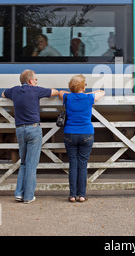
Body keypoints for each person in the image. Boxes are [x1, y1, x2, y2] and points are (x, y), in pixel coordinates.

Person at [2, 69, 59, 203]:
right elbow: (54, 92)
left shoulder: (15, 90)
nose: (37, 81)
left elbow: (4, 93)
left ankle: (19, 193)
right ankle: (28, 196)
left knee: (23, 163)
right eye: (35, 79)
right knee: (31, 164)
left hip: (20, 130)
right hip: (33, 129)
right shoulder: (36, 90)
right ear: (30, 81)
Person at [59, 74, 105, 203]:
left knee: (73, 164)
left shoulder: (67, 97)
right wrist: (88, 92)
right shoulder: (89, 98)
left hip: (70, 134)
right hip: (86, 134)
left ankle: (72, 195)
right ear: (83, 87)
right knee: (82, 165)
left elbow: (61, 93)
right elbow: (101, 92)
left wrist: (74, 91)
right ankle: (82, 195)